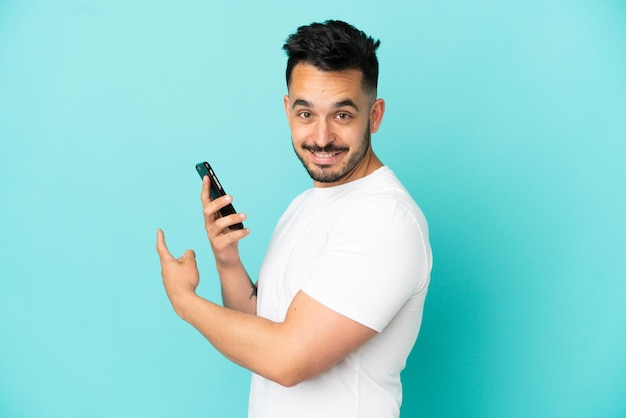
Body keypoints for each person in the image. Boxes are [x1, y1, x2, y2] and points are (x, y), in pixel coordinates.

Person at [156, 19, 432, 418]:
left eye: (341, 115)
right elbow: (258, 330)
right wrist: (228, 260)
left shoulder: (387, 220)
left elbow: (287, 359)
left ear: (375, 116)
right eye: (306, 114)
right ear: (288, 110)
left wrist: (184, 301)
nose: (321, 138)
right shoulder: (304, 205)